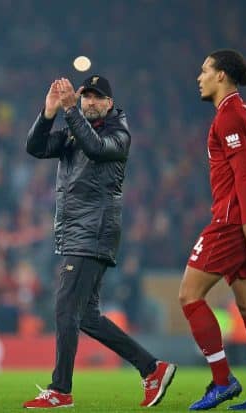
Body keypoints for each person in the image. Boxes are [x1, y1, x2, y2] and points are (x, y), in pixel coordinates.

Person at [23, 75, 176, 409]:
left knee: (65, 310)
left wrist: (69, 112)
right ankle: (152, 369)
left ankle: (60, 390)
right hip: (77, 232)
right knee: (87, 317)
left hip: (92, 233)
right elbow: (34, 148)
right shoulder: (73, 134)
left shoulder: (118, 135)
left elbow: (94, 147)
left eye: (97, 98)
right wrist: (48, 112)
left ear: (109, 103)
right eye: (86, 97)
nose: (89, 102)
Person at [178, 49, 246, 410]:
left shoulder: (227, 117)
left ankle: (222, 381)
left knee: (189, 296)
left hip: (233, 221)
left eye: (204, 69)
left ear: (221, 75)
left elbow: (241, 173)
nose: (199, 76)